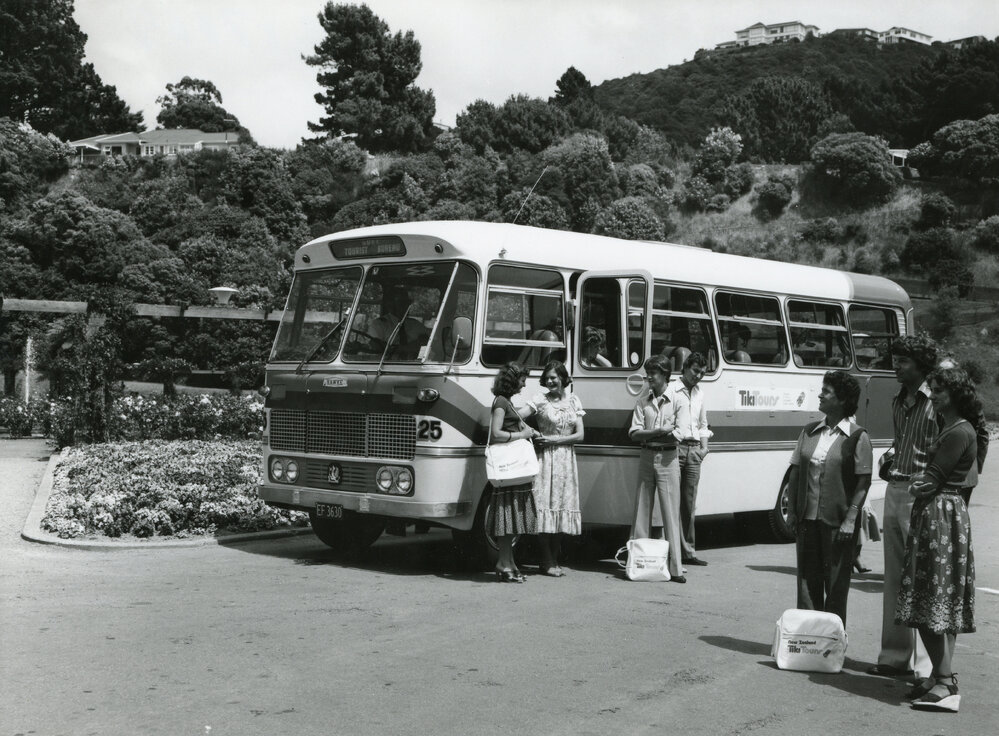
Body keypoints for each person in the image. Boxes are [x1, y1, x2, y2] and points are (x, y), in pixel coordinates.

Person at [896, 367, 979, 712]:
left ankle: (945, 681)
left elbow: (930, 481)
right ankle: (938, 676)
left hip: (940, 515)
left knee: (930, 595)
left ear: (956, 395)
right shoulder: (954, 429)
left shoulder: (957, 431)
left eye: (940, 390)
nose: (934, 395)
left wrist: (913, 480)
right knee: (940, 597)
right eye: (933, 389)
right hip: (943, 514)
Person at [869, 335, 937, 679]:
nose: (896, 366)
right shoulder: (899, 401)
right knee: (894, 576)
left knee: (921, 576)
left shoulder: (936, 401)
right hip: (895, 488)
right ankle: (894, 657)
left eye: (903, 361)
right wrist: (890, 457)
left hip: (921, 494)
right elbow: (903, 442)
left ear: (921, 365)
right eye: (895, 359)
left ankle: (926, 666)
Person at [785, 371, 872, 626]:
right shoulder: (810, 431)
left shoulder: (858, 436)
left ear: (842, 399)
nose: (820, 395)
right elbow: (796, 472)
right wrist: (792, 511)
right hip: (807, 520)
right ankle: (808, 639)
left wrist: (850, 519)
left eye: (827, 391)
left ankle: (831, 644)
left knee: (835, 586)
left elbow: (863, 482)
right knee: (807, 583)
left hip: (838, 524)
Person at [522, 360, 585, 576]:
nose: (550, 381)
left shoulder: (574, 400)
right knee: (544, 505)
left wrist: (555, 440)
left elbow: (580, 434)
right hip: (545, 460)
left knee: (561, 505)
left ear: (563, 378)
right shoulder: (539, 400)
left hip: (566, 459)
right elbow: (519, 416)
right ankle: (546, 559)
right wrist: (532, 433)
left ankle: (553, 557)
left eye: (554, 377)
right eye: (547, 378)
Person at [628, 355, 685, 583]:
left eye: (653, 373)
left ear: (665, 375)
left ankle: (676, 569)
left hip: (668, 458)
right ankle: (638, 566)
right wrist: (659, 431)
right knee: (641, 510)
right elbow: (633, 433)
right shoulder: (643, 400)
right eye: (648, 372)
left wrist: (653, 432)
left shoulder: (679, 400)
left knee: (670, 513)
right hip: (646, 454)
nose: (649, 377)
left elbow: (681, 432)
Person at [487, 362, 540, 583]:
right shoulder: (501, 402)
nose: (524, 383)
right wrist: (522, 434)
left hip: (513, 470)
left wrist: (528, 431)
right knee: (507, 518)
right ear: (513, 380)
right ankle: (504, 562)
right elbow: (496, 433)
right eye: (522, 379)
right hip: (510, 468)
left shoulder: (506, 401)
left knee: (510, 521)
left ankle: (508, 562)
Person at [665, 351, 712, 568]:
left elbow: (703, 424)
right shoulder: (672, 390)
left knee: (689, 503)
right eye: (695, 371)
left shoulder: (700, 393)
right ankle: (670, 551)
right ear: (684, 368)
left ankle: (688, 552)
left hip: (694, 450)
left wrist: (704, 448)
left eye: (702, 373)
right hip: (676, 448)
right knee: (671, 501)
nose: (699, 376)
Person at [936, 356, 988, 505]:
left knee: (957, 516)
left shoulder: (969, 400)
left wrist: (976, 465)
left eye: (947, 372)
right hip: (940, 469)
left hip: (962, 473)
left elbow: (982, 434)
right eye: (940, 371)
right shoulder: (935, 397)